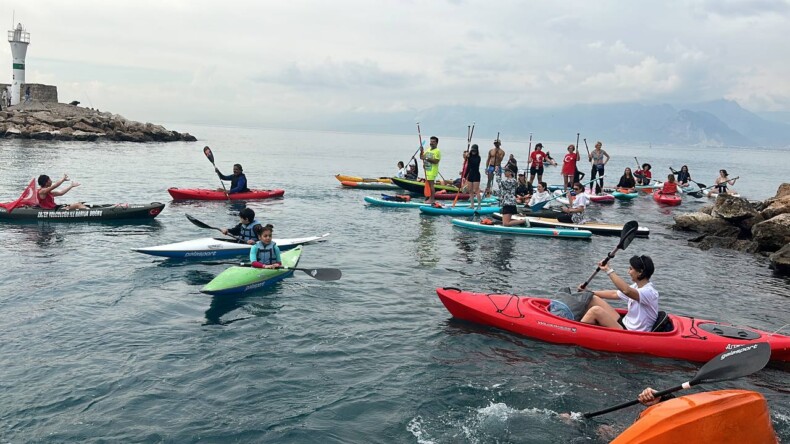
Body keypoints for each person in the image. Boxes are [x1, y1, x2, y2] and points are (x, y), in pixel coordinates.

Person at [579, 255, 658, 331]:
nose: (628, 272)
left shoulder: (649, 292)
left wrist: (608, 270)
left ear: (640, 272)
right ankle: (580, 322)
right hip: (625, 323)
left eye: (631, 269)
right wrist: (589, 292)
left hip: (632, 332)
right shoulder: (636, 286)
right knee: (592, 298)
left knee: (595, 310)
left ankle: (577, 330)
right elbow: (614, 294)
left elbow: (626, 290)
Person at [420, 136, 441, 204]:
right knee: (428, 185)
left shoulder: (437, 151)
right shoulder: (428, 149)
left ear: (436, 143)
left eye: (433, 142)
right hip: (427, 170)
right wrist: (421, 151)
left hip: (432, 170)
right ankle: (429, 198)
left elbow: (436, 161)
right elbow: (421, 157)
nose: (431, 143)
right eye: (431, 141)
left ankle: (432, 199)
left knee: (431, 185)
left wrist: (426, 158)